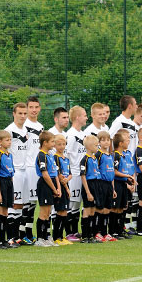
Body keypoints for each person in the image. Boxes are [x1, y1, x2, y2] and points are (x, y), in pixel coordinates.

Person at [4, 102, 32, 246]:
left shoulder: (26, 130)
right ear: (14, 114)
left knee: (21, 205)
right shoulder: (9, 130)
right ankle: (10, 238)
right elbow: (5, 152)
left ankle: (17, 236)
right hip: (14, 172)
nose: (22, 116)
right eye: (20, 113)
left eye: (24, 113)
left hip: (24, 170)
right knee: (13, 204)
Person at [64, 105, 88, 242]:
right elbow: (66, 156)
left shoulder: (82, 134)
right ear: (77, 117)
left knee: (77, 205)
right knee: (71, 204)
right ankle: (68, 233)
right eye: (84, 115)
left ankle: (74, 231)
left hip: (81, 174)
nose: (86, 117)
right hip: (73, 174)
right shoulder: (71, 135)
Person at [22, 96, 44, 243]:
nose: (34, 110)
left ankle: (29, 233)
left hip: (36, 169)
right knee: (25, 202)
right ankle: (21, 234)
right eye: (31, 107)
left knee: (33, 202)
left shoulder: (41, 127)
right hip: (26, 169)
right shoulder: (23, 126)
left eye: (36, 107)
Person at [34, 131, 61, 246]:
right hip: (45, 184)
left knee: (48, 212)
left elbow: (55, 173)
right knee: (44, 212)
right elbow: (45, 174)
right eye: (52, 142)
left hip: (52, 184)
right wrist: (54, 189)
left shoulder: (50, 155)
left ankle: (46, 236)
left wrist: (58, 188)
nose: (54, 144)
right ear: (45, 143)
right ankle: (40, 238)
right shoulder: (41, 155)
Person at [0, 130, 15, 248]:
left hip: (8, 184)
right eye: (7, 140)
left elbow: (11, 173)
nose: (9, 142)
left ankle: (3, 239)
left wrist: (12, 190)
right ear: (0, 141)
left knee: (6, 212)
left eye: (10, 139)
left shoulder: (9, 155)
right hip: (1, 183)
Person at [112, 131, 136, 239]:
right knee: (116, 208)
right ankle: (114, 231)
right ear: (121, 143)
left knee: (122, 208)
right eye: (126, 140)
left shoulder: (124, 155)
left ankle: (120, 230)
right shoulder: (116, 155)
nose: (129, 142)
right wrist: (127, 176)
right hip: (117, 183)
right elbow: (114, 171)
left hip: (123, 183)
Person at [94, 132, 117, 242]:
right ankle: (97, 232)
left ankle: (105, 232)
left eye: (108, 140)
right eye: (103, 140)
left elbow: (111, 172)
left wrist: (113, 188)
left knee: (108, 209)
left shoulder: (110, 155)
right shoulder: (98, 155)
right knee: (100, 208)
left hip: (109, 184)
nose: (106, 142)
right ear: (98, 142)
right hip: (101, 184)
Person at [79, 135, 102, 243]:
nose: (98, 147)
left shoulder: (94, 158)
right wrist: (88, 192)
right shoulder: (85, 159)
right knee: (87, 210)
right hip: (89, 185)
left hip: (96, 185)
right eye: (96, 145)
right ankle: (85, 236)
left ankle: (91, 235)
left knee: (93, 210)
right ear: (89, 146)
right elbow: (83, 176)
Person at [52, 135, 73, 245]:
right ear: (54, 145)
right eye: (59, 144)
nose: (61, 146)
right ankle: (56, 236)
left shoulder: (66, 158)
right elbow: (58, 174)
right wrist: (65, 187)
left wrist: (68, 180)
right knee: (60, 211)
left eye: (63, 144)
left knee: (65, 211)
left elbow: (70, 174)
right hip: (60, 187)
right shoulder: (55, 158)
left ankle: (62, 236)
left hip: (66, 186)